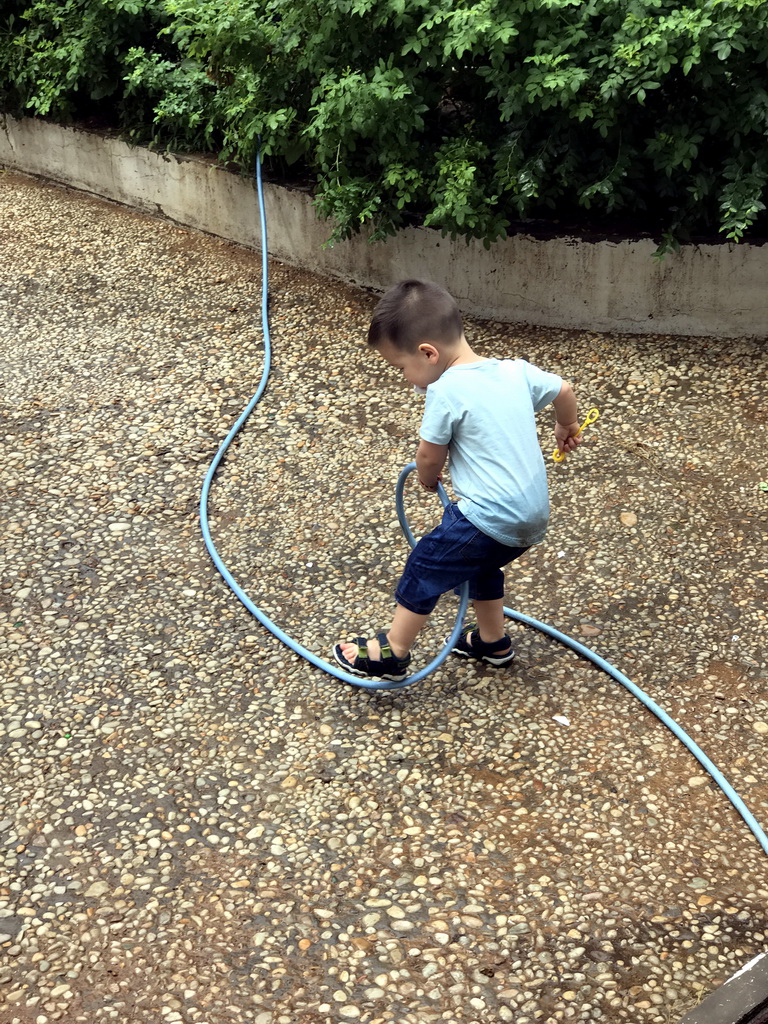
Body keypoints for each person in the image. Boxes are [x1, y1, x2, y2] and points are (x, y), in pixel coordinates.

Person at [333, 279, 582, 682]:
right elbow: (563, 388)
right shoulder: (514, 371)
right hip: (532, 517)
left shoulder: (446, 390)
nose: (404, 378)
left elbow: (429, 455)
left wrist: (428, 481)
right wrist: (566, 424)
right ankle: (492, 642)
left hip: (490, 514)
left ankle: (392, 652)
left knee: (426, 564)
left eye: (402, 367)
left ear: (428, 353)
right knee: (479, 566)